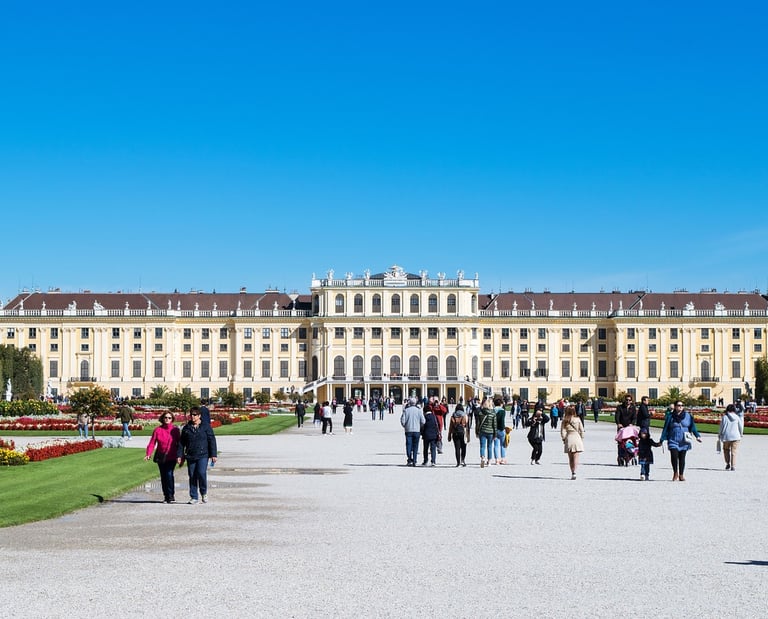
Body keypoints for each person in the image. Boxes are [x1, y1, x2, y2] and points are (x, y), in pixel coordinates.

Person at [177, 406, 218, 504]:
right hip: (191, 455)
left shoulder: (206, 426)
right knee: (192, 475)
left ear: (199, 416)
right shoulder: (187, 428)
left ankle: (203, 492)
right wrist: (180, 455)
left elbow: (211, 440)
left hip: (203, 454)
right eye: (191, 415)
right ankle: (194, 496)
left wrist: (213, 454)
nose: (193, 416)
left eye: (195, 415)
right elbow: (181, 443)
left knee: (201, 473)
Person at [660, 401, 702, 481]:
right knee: (674, 456)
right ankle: (675, 472)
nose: (680, 407)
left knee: (682, 457)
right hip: (673, 438)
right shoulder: (670, 416)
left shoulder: (688, 416)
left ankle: (681, 474)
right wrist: (662, 439)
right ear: (675, 406)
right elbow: (666, 428)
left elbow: (692, 427)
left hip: (684, 440)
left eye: (682, 405)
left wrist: (697, 436)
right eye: (679, 405)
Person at [145, 412, 181, 503]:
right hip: (161, 456)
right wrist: (148, 454)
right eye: (165, 417)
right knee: (163, 476)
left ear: (172, 419)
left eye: (169, 418)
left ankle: (171, 495)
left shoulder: (175, 430)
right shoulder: (157, 430)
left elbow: (180, 444)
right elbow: (152, 443)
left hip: (172, 456)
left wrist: (180, 455)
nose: (167, 419)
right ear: (162, 418)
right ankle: (166, 496)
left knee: (169, 474)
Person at [560, 406, 585, 480]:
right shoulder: (578, 419)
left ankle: (572, 472)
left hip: (569, 437)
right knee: (576, 457)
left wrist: (564, 439)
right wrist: (581, 438)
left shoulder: (565, 420)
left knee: (570, 458)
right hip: (577, 437)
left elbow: (562, 431)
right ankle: (575, 472)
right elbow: (582, 430)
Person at [400, 397, 425, 467]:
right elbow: (423, 421)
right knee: (415, 446)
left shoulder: (406, 410)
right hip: (417, 431)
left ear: (409, 403)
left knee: (408, 445)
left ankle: (409, 459)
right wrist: (419, 426)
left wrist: (405, 426)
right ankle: (414, 461)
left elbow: (403, 421)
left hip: (408, 430)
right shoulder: (419, 410)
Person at [718, 404, 744, 471]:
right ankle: (733, 466)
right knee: (734, 451)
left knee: (726, 450)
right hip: (736, 436)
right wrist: (741, 434)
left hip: (726, 436)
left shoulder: (725, 417)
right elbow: (740, 427)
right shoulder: (737, 417)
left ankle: (727, 463)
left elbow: (721, 427)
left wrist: (719, 434)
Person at [476, 398, 497, 468]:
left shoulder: (480, 413)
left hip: (482, 431)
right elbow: (495, 425)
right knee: (490, 446)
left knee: (482, 446)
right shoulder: (493, 414)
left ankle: (482, 458)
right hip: (490, 432)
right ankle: (489, 462)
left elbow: (478, 424)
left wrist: (477, 432)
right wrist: (495, 434)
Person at [492, 397, 507, 465]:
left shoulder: (493, 410)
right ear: (501, 404)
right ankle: (503, 459)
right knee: (503, 445)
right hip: (501, 429)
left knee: (496, 445)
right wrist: (503, 428)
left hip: (494, 429)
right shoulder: (502, 411)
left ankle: (497, 460)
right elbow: (502, 421)